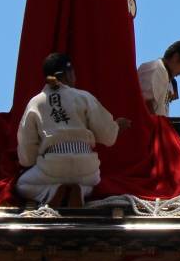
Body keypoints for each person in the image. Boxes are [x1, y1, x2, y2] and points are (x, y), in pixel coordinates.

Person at [17, 53, 131, 208]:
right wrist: (116, 126)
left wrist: (32, 161)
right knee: (94, 183)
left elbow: (26, 150)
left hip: (52, 166)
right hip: (86, 166)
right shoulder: (83, 97)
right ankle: (81, 190)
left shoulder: (35, 102)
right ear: (68, 74)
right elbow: (107, 136)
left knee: (22, 185)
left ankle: (53, 192)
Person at [137, 40, 180, 116]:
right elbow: (144, 103)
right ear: (176, 57)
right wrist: (155, 127)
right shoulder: (156, 69)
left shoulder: (166, 76)